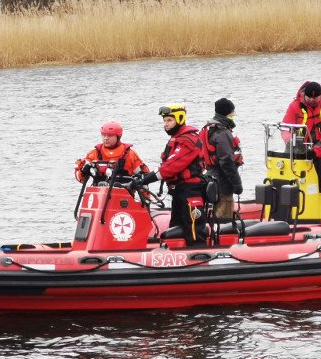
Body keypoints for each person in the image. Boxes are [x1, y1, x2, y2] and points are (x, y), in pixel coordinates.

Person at [129, 104, 207, 247]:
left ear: (180, 118)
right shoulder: (176, 139)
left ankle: (199, 258)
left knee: (194, 231)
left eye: (170, 120)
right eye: (165, 121)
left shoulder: (188, 140)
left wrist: (144, 180)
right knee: (176, 228)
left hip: (190, 191)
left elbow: (170, 167)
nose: (166, 125)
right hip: (178, 192)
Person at [282, 81, 321, 192]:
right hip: (300, 144)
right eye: (309, 98)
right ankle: (289, 188)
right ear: (304, 95)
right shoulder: (294, 106)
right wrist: (290, 140)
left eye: (315, 99)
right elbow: (285, 128)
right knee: (289, 163)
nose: (312, 101)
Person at [202, 97, 243, 221]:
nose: (233, 115)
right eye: (232, 112)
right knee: (224, 217)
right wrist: (237, 184)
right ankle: (223, 238)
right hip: (223, 183)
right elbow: (226, 162)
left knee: (217, 211)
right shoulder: (223, 133)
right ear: (227, 113)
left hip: (211, 178)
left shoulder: (209, 129)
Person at [75, 121, 149, 184]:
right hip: (99, 195)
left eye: (109, 135)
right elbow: (81, 180)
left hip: (123, 196)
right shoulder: (95, 153)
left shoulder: (130, 154)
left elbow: (144, 178)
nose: (106, 138)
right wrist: (83, 171)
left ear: (118, 136)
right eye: (103, 135)